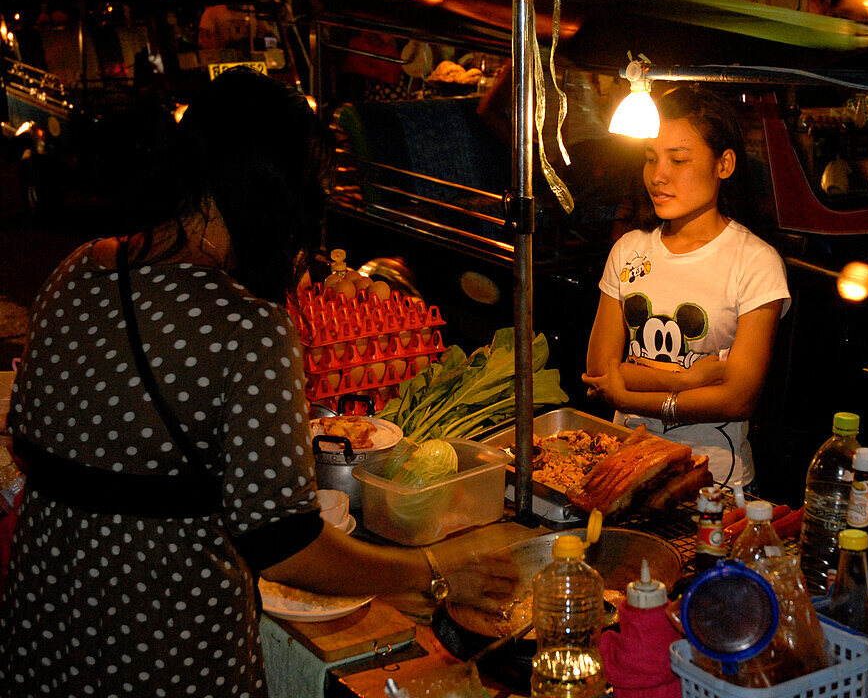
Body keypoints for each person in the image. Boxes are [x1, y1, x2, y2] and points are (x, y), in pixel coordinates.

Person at [0, 67, 515, 696]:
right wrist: (432, 570)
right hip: (166, 652)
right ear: (271, 193)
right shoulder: (247, 325)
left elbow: (23, 438)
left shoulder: (77, 270)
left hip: (43, 632)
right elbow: (284, 542)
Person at [583, 85, 790, 488]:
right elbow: (598, 372)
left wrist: (629, 395)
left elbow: (738, 398)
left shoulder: (756, 262)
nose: (658, 176)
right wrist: (689, 379)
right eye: (650, 159)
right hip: (624, 470)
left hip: (713, 481)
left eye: (678, 160)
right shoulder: (629, 250)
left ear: (724, 164)